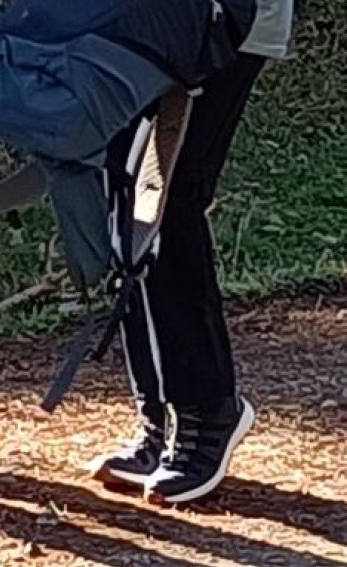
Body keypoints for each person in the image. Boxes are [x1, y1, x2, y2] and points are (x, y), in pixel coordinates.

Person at [87, 0, 299, 504]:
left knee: (168, 201)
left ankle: (206, 414)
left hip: (222, 21)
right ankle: (159, 420)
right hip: (138, 22)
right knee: (125, 197)